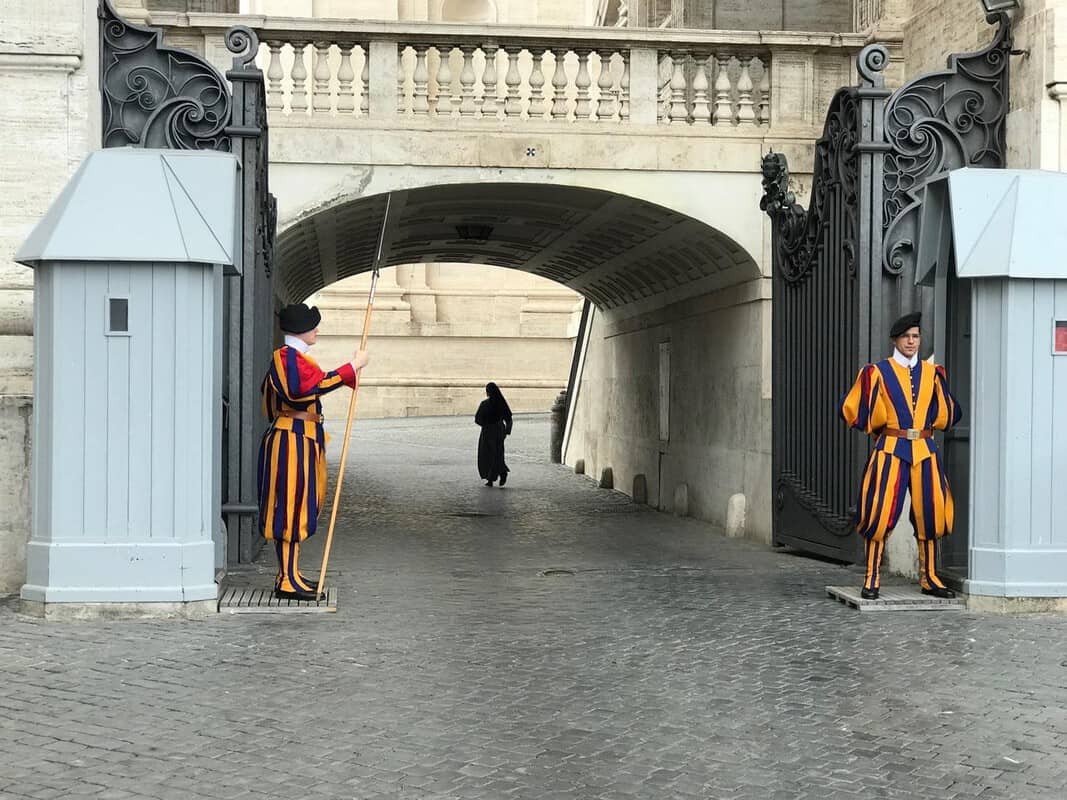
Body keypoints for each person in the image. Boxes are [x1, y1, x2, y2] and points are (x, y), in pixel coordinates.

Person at [839, 312, 963, 600]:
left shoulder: (934, 374)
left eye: (916, 336)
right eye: (906, 336)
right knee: (878, 513)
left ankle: (930, 578)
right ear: (895, 339)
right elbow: (854, 410)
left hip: (925, 449)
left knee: (931, 514)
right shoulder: (877, 373)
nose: (911, 341)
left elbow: (947, 413)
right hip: (891, 449)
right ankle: (871, 577)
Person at [257, 302, 369, 600]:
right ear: (301, 330)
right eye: (313, 325)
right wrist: (352, 367)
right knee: (289, 508)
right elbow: (305, 389)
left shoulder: (296, 359)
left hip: (300, 438)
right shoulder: (287, 359)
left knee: (298, 507)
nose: (317, 330)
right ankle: (286, 580)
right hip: (291, 440)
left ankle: (290, 573)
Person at [475, 382, 513, 487]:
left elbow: (477, 419)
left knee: (487, 455)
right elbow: (509, 418)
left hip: (487, 432)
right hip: (499, 431)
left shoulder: (484, 404)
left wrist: (485, 424)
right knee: (497, 455)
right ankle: (501, 473)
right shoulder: (501, 404)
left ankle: (491, 478)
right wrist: (506, 431)